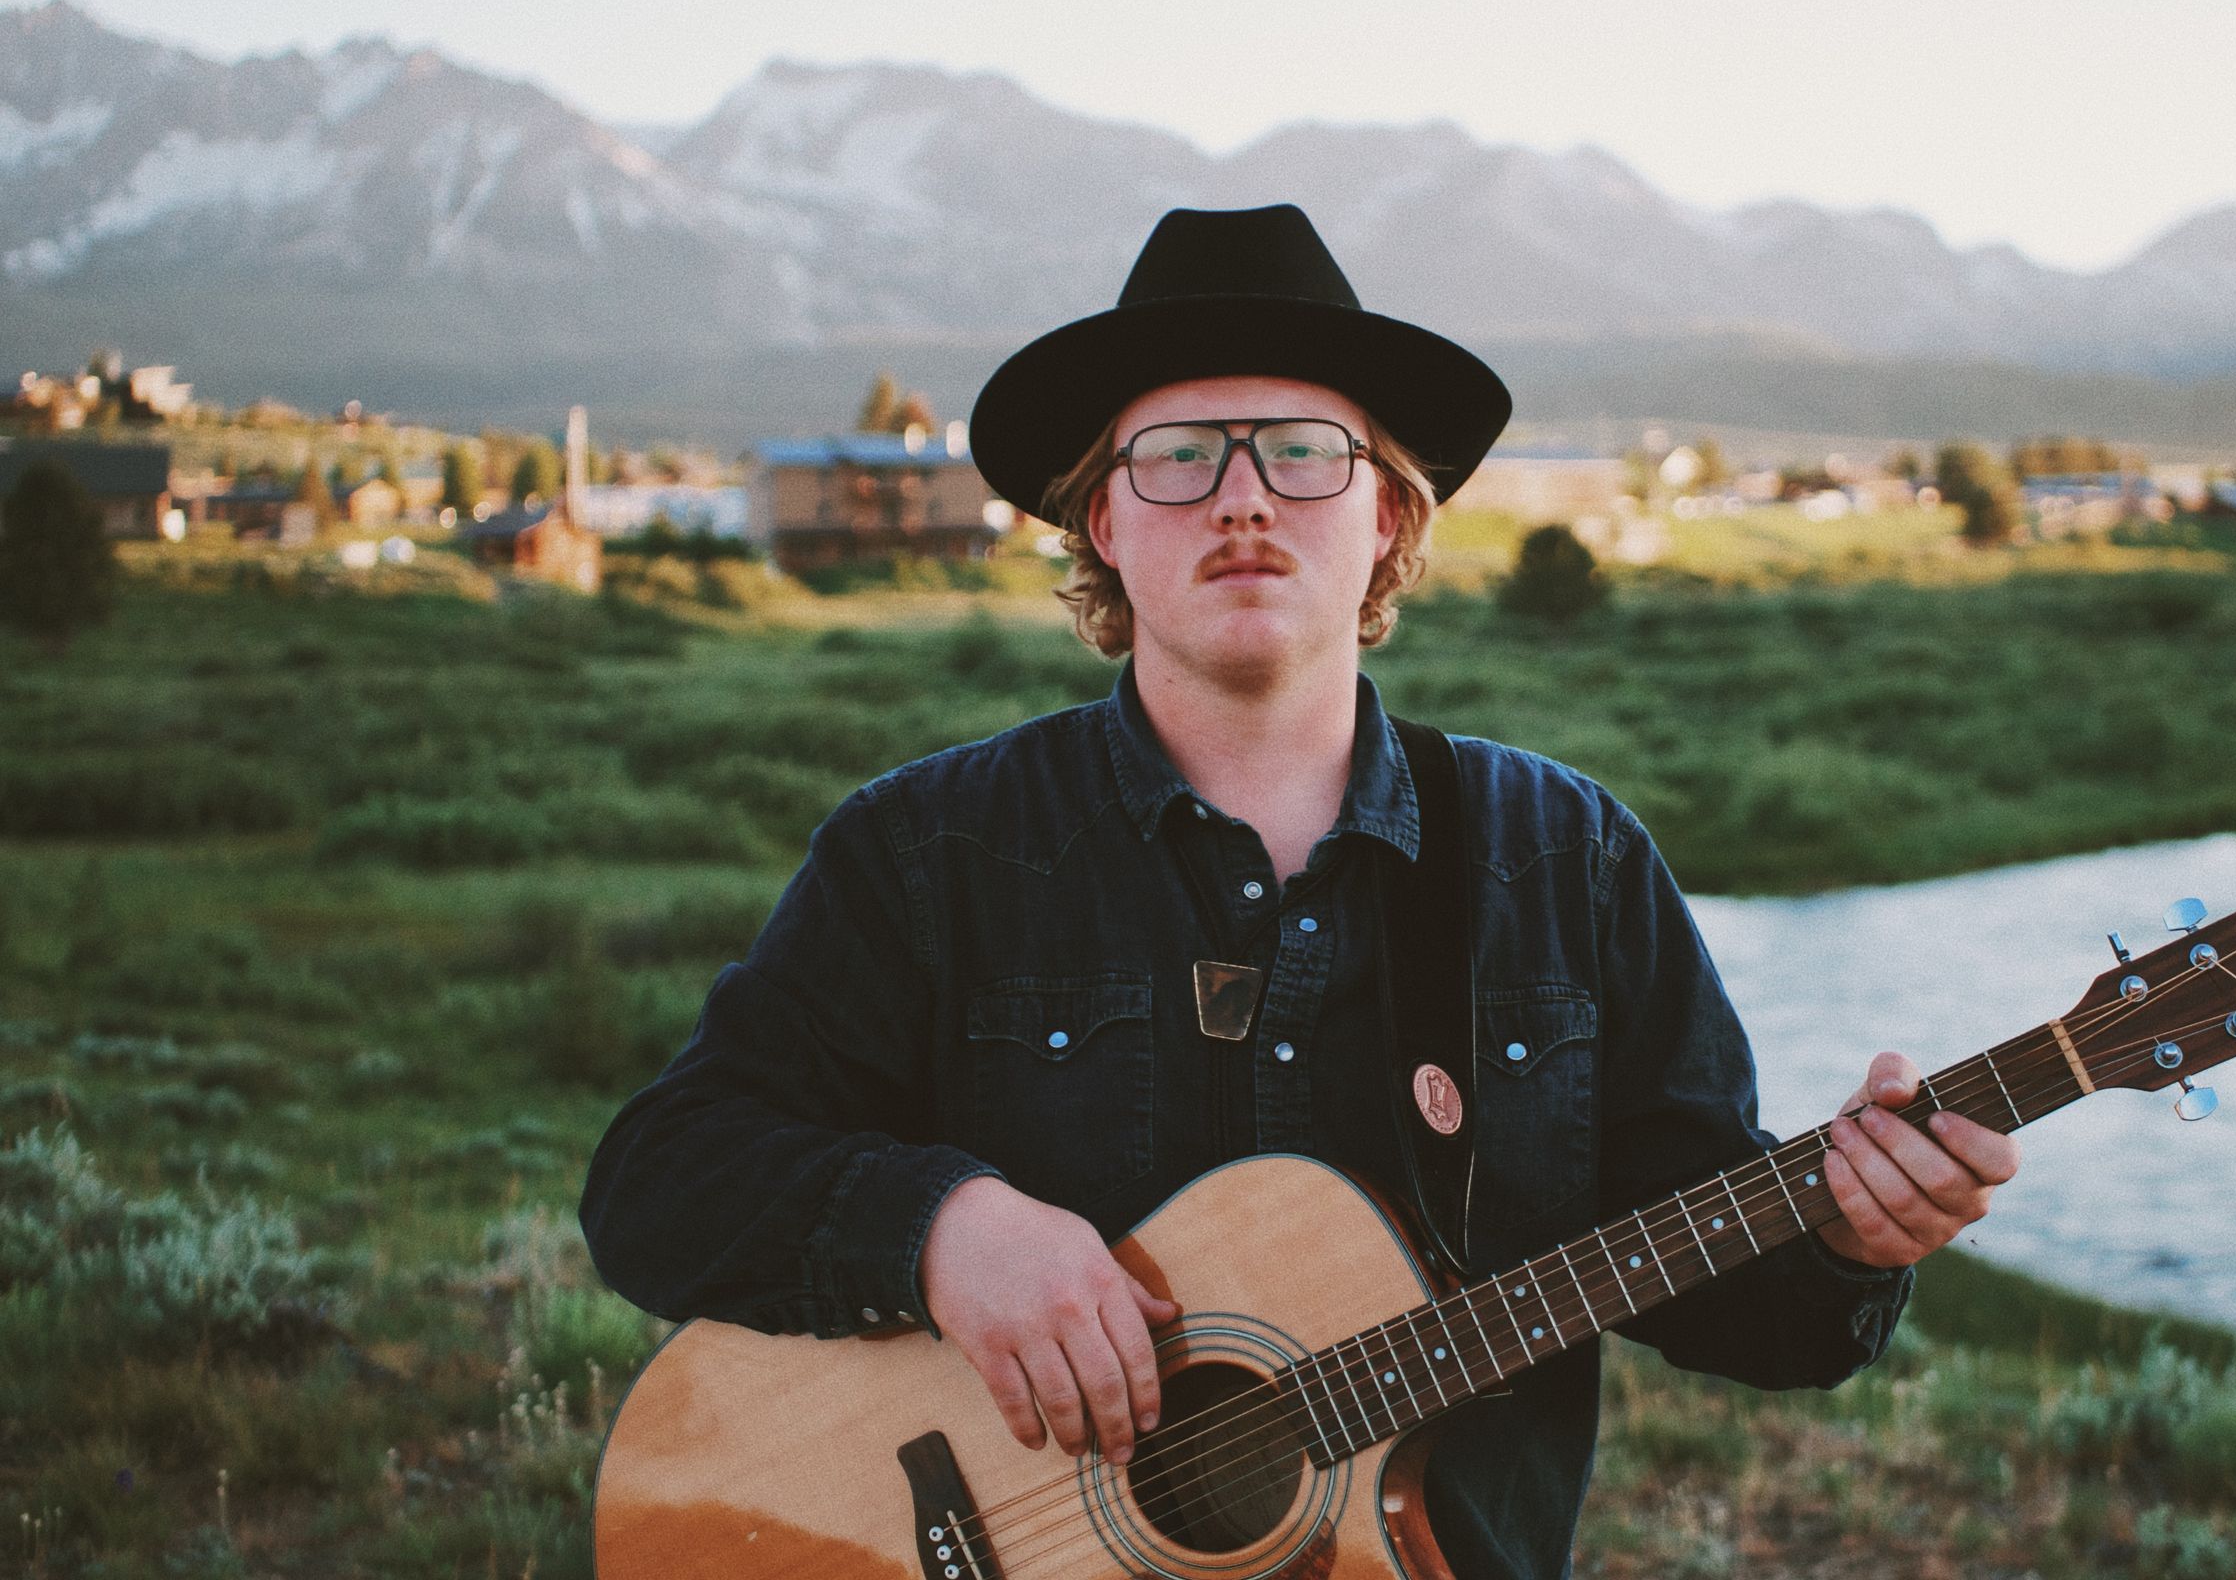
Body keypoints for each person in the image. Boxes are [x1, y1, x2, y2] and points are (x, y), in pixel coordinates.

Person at [580, 204, 2019, 1580]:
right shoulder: (930, 851)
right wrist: (944, 1230)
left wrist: (1847, 1237)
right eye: (1178, 457)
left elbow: (1735, 1303)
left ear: (1387, 513)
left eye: (1303, 453)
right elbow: (659, 1183)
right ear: (1101, 522)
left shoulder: (1567, 863)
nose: (1244, 497)